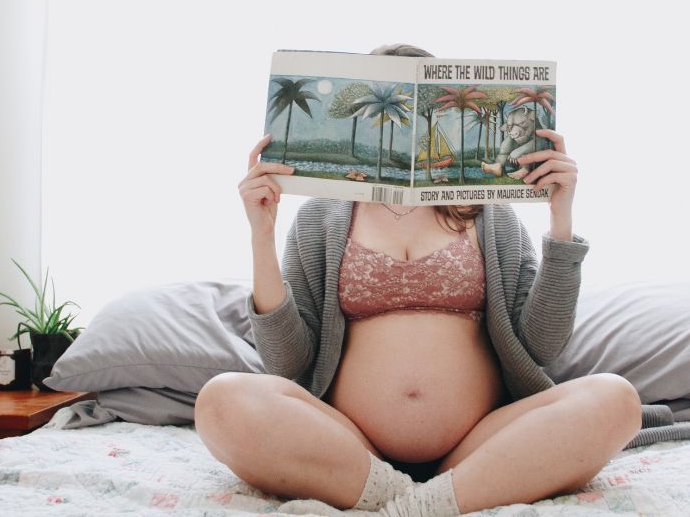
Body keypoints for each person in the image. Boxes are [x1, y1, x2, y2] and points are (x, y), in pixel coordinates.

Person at [194, 44, 642, 516]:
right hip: (349, 448)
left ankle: (423, 505)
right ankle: (417, 500)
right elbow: (287, 364)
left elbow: (542, 345)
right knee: (220, 400)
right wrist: (261, 237)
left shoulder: (491, 216)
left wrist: (560, 218)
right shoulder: (320, 219)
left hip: (481, 446)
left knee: (617, 399)